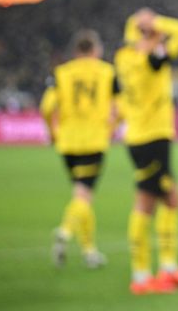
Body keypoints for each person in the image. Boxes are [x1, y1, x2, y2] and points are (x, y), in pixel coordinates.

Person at [115, 8, 178, 295]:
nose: (159, 35)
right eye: (152, 32)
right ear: (143, 34)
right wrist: (158, 22)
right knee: (146, 204)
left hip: (142, 136)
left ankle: (168, 268)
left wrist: (150, 31)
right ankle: (141, 277)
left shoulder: (124, 57)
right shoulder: (150, 60)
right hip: (151, 137)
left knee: (172, 199)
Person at [39, 29, 117, 269]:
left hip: (67, 142)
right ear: (95, 49)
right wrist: (111, 128)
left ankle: (89, 251)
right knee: (84, 196)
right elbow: (121, 108)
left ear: (76, 51)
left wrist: (53, 133)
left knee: (81, 196)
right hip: (93, 141)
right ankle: (64, 231)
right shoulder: (107, 72)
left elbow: (46, 107)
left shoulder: (61, 72)